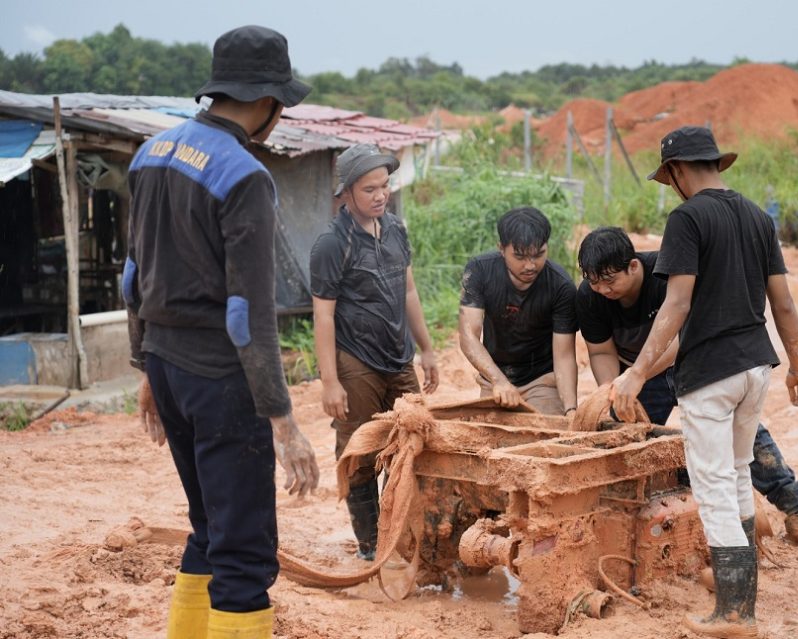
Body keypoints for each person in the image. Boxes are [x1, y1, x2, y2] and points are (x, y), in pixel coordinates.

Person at [125, 25, 319, 639]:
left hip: (165, 365)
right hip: (220, 382)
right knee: (244, 554)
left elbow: (133, 277)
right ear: (267, 102)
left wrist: (144, 368)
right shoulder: (245, 177)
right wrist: (284, 423)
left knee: (208, 529)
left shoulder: (149, 154)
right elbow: (249, 316)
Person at [608, 126, 798, 638]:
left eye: (668, 177)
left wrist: (635, 373)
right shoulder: (756, 216)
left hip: (710, 375)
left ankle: (734, 614)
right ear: (713, 163)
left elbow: (677, 304)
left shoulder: (687, 218)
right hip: (754, 369)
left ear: (677, 171)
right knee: (740, 472)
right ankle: (743, 593)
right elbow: (783, 303)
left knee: (714, 485)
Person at [576, 226, 798, 548]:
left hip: (694, 365)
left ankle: (796, 512)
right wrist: (611, 391)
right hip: (639, 378)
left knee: (744, 435)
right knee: (623, 438)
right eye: (594, 282)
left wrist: (636, 375)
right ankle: (639, 521)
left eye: (610, 281)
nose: (602, 289)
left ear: (634, 266)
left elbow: (680, 340)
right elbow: (601, 352)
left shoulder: (666, 276)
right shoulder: (590, 296)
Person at [309, 143, 439, 561]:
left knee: (414, 442)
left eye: (384, 186)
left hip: (398, 357)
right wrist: (330, 382)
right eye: (369, 189)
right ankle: (369, 545)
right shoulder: (332, 244)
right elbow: (323, 317)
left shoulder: (396, 228)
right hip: (356, 361)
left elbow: (410, 291)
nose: (380, 195)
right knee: (360, 452)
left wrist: (429, 349)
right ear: (346, 193)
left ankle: (403, 536)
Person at [458, 207, 578, 415]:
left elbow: (565, 356)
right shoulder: (479, 271)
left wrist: (570, 409)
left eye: (539, 254)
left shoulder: (561, 285)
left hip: (542, 381)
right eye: (520, 257)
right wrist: (499, 381)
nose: (530, 265)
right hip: (494, 377)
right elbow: (469, 336)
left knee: (545, 440)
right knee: (488, 440)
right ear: (501, 249)